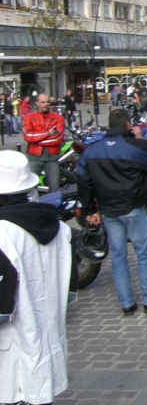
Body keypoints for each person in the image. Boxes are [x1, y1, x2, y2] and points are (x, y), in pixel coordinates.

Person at [77, 108, 147, 315]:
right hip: (132, 207)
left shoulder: (92, 150)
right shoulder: (133, 147)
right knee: (143, 254)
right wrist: (140, 140)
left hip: (109, 210)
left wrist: (89, 209)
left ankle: (127, 304)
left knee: (119, 257)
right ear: (128, 125)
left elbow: (82, 179)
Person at [0, 151, 75, 405]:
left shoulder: (3, 233)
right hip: (48, 337)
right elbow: (70, 290)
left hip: (12, 347)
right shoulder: (61, 228)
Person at [23, 92, 65, 192]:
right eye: (43, 102)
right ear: (37, 103)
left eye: (48, 102)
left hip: (52, 158)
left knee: (54, 189)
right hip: (34, 157)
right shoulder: (28, 117)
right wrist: (48, 133)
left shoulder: (58, 118)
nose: (46, 104)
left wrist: (36, 140)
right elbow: (28, 136)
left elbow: (58, 138)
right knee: (30, 189)